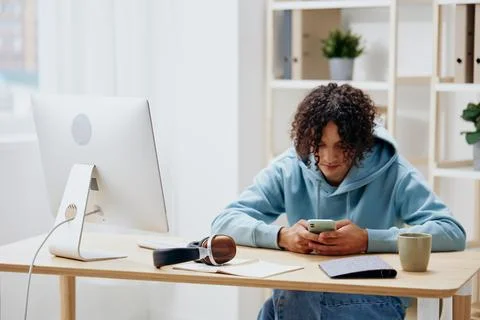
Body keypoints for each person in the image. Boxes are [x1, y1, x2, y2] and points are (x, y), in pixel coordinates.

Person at [211, 83, 466, 320]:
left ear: (360, 143)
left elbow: (451, 230)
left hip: (378, 297)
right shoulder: (288, 168)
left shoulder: (394, 171)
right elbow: (224, 223)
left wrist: (368, 239)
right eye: (319, 145)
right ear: (307, 140)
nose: (328, 157)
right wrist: (282, 236)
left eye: (341, 146)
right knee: (282, 301)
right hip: (303, 292)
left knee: (285, 301)